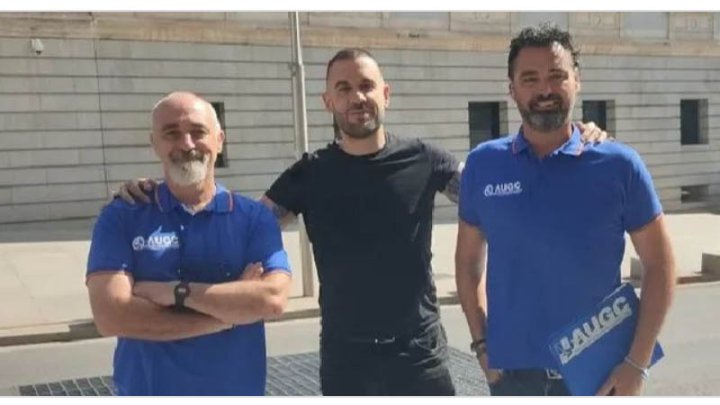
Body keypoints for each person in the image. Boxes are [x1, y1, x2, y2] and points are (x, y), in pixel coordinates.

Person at [116, 48, 607, 396]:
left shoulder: (426, 161)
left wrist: (575, 138)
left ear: (386, 94)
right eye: (344, 88)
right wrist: (163, 188)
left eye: (367, 85)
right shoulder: (309, 174)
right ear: (328, 101)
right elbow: (239, 222)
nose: (358, 97)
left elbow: (509, 188)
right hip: (346, 358)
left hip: (420, 355)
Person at [455, 24, 676, 396]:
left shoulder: (619, 165)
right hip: (513, 379)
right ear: (512, 90)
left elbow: (661, 265)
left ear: (577, 81)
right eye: (530, 78)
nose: (545, 89)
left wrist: (636, 364)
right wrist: (481, 345)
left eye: (557, 76)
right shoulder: (483, 164)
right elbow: (467, 262)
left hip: (599, 376)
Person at [86, 91, 292, 396]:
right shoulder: (121, 216)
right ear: (154, 142)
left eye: (199, 132)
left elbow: (271, 299)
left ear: (220, 140)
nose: (186, 144)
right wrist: (224, 318)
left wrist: (173, 292)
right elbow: (111, 315)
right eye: (172, 133)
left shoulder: (253, 218)